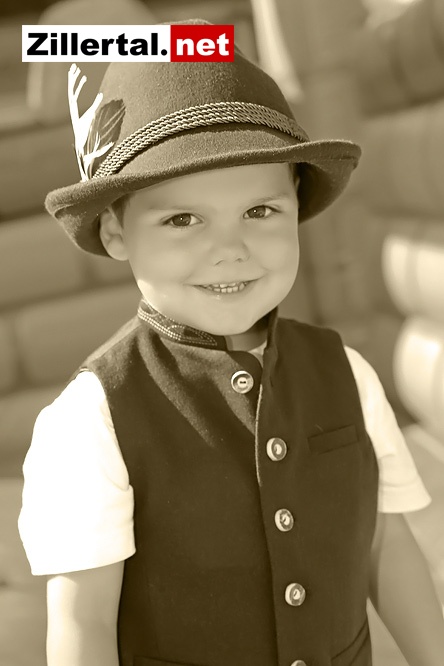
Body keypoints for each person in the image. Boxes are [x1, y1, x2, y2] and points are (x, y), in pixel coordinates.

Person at [19, 20, 444, 666]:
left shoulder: (347, 374)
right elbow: (84, 626)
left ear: (296, 204)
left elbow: (386, 544)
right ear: (115, 232)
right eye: (182, 219)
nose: (231, 249)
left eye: (260, 211)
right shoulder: (92, 419)